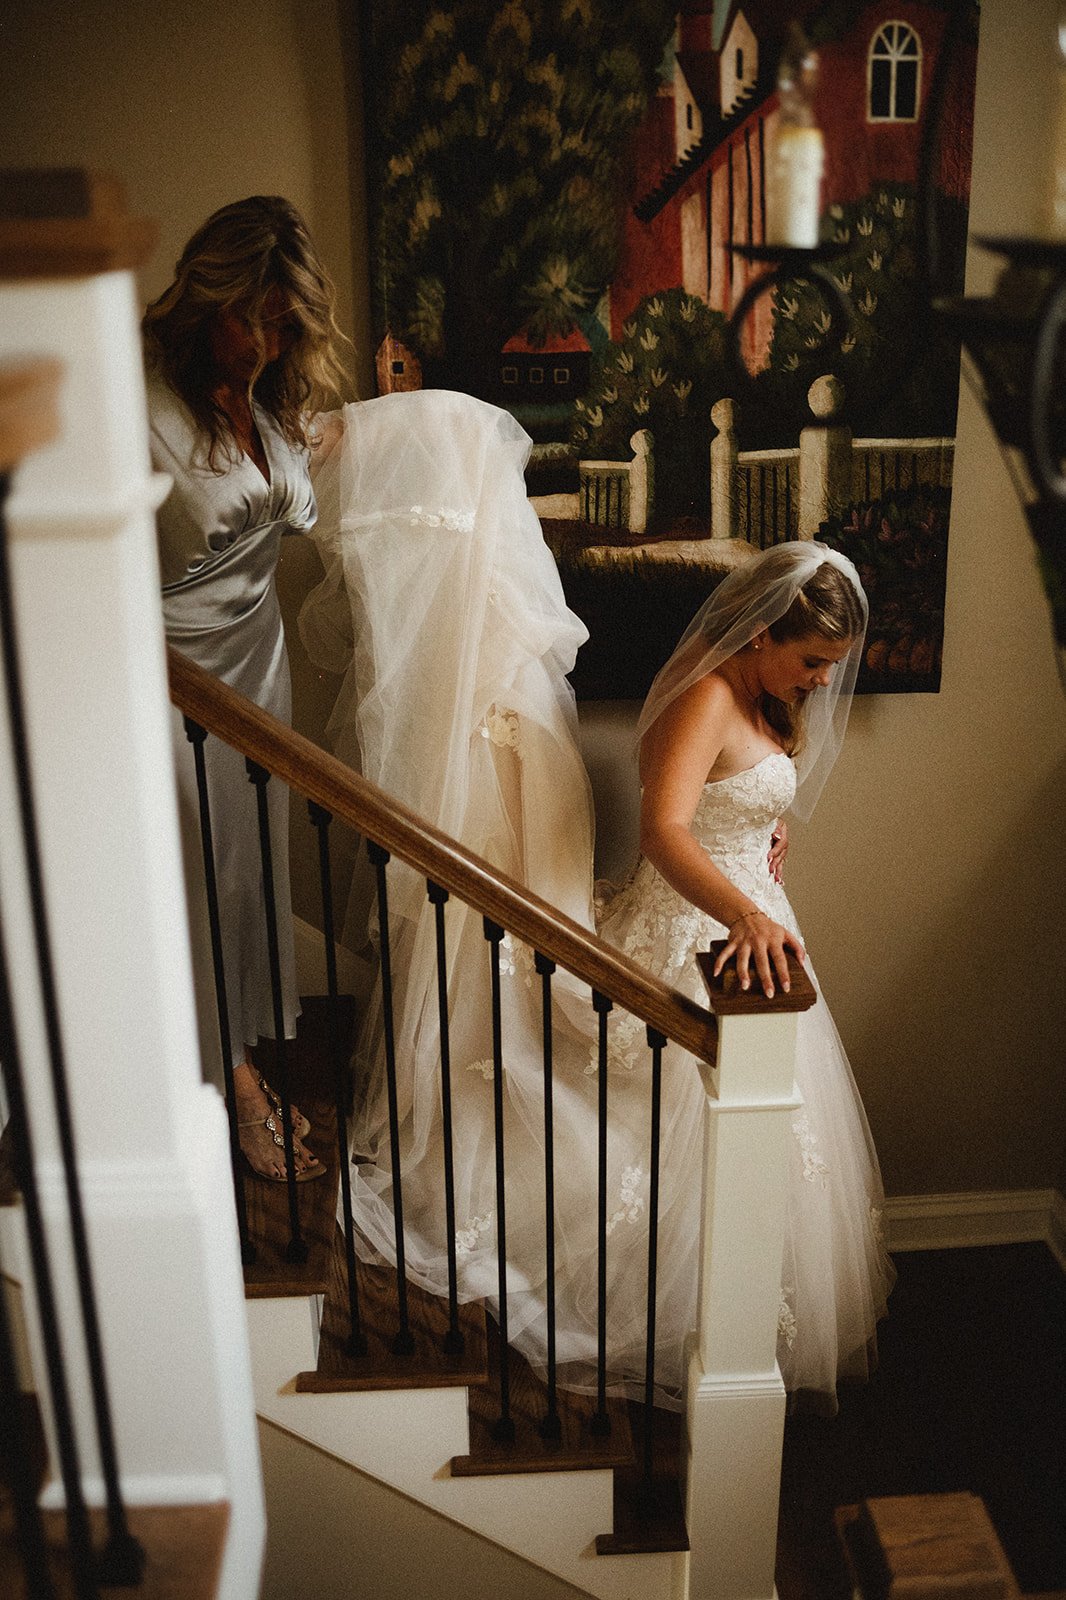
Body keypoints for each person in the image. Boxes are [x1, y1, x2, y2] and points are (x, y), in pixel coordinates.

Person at [300, 391, 893, 1405]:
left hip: (756, 934)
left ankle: (745, 1329)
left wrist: (764, 828)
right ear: (757, 636)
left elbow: (730, 800)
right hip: (699, 934)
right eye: (809, 662)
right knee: (663, 1136)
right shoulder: (707, 694)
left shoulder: (762, 695)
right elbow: (664, 832)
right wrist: (743, 907)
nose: (817, 684)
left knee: (761, 1140)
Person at [145, 196, 347, 1181]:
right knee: (186, 879)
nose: (267, 342)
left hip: (258, 665)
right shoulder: (141, 405)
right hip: (174, 683)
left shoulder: (268, 403)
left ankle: (238, 1055)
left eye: (284, 323)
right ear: (204, 296)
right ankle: (229, 1085)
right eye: (253, 317)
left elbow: (298, 489)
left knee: (242, 877)